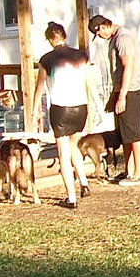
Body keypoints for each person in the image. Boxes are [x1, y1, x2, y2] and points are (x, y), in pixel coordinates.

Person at [33, 22, 92, 209]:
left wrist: (35, 109)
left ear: (50, 39)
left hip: (60, 108)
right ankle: (83, 182)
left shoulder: (46, 59)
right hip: (80, 106)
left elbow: (40, 86)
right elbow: (89, 81)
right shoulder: (81, 55)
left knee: (63, 153)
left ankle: (71, 197)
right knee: (74, 144)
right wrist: (96, 105)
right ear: (64, 36)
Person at [88, 13, 140, 185]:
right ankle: (129, 171)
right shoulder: (115, 39)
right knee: (125, 133)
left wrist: (122, 97)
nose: (99, 36)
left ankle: (139, 173)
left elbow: (128, 67)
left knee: (134, 131)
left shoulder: (123, 39)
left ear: (105, 25)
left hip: (132, 90)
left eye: (98, 32)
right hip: (122, 90)